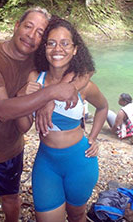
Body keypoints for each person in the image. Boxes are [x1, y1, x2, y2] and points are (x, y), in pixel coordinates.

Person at [0, 7, 80, 222]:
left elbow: (82, 66)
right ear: (17, 26)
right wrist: (51, 93)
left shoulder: (39, 63)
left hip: (11, 149)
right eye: (28, 26)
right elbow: (2, 110)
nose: (31, 35)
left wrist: (50, 99)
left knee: (11, 200)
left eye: (40, 32)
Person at [16, 16, 108, 222]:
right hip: (46, 163)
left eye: (65, 43)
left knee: (77, 215)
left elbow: (103, 107)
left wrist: (94, 138)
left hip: (80, 161)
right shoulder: (34, 78)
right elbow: (23, 127)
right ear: (44, 48)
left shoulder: (83, 84)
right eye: (51, 43)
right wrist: (23, 98)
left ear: (75, 49)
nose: (58, 49)